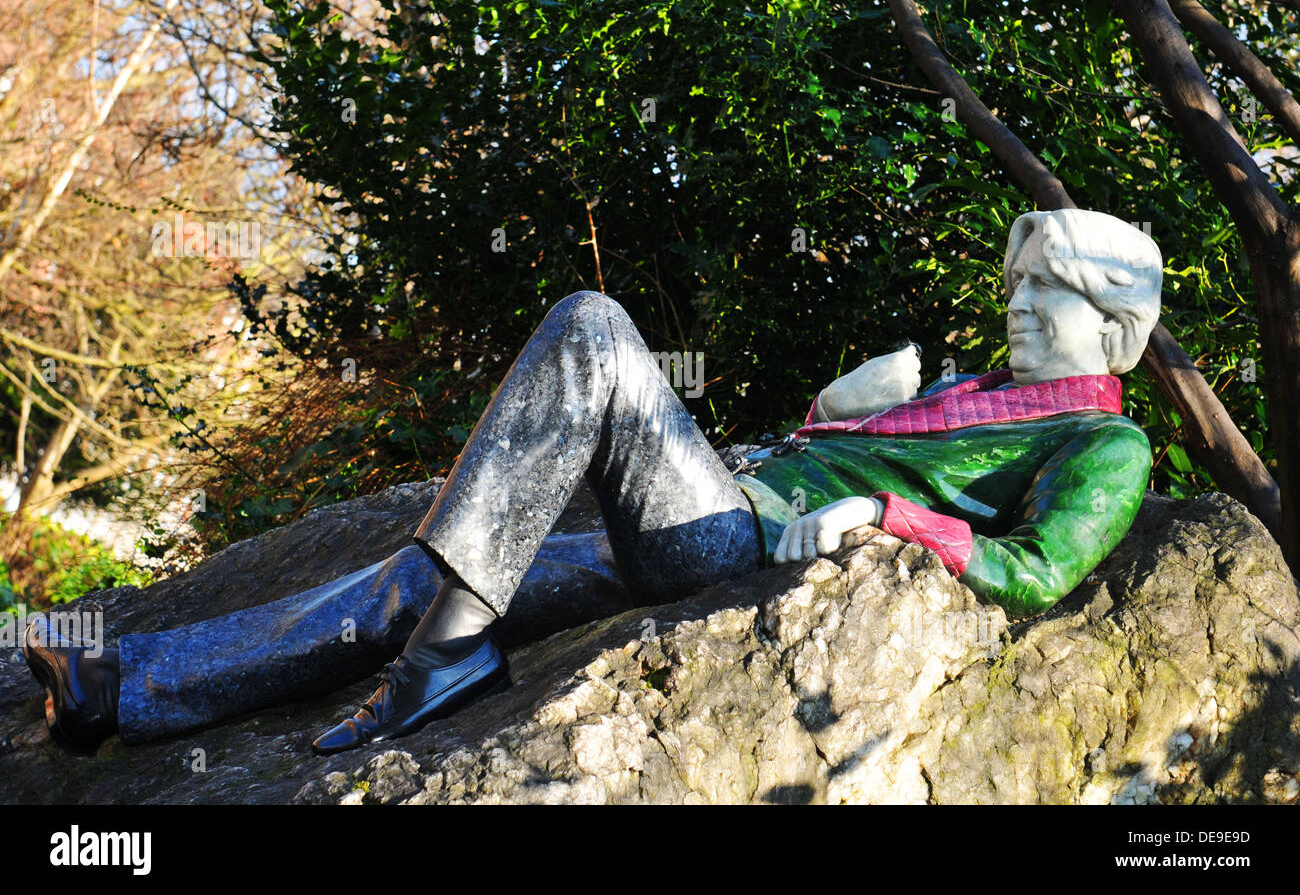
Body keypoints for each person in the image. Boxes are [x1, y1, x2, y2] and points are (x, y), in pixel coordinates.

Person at [23, 208, 1162, 757]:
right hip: (727, 505)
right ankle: (123, 686)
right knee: (416, 570)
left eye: (1048, 293)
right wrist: (841, 408)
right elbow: (829, 449)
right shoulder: (966, 388)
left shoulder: (1107, 445)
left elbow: (1041, 564)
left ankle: (449, 661)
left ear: (1112, 331)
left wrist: (881, 509)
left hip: (739, 546)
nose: (1018, 304)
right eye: (1016, 282)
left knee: (593, 328)